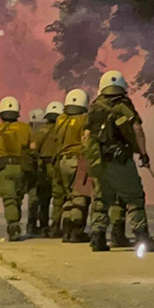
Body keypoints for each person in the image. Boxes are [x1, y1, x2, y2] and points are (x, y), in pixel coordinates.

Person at [85, 70, 154, 252]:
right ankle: (142, 236)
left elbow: (86, 136)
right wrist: (143, 154)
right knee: (134, 196)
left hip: (99, 161)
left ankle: (98, 237)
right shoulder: (124, 106)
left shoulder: (95, 108)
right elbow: (137, 130)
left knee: (101, 199)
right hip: (120, 161)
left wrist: (92, 158)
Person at [0, 96, 35, 241]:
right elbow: (33, 147)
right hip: (21, 167)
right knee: (18, 197)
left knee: (9, 199)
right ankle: (15, 223)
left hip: (3, 167)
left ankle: (13, 226)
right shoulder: (26, 128)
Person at [54, 89, 92, 243]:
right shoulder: (84, 119)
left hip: (62, 161)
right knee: (80, 197)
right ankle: (77, 232)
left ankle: (66, 231)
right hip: (77, 160)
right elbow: (86, 139)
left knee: (68, 197)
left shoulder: (60, 119)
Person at [35, 101, 63, 238]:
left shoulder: (39, 130)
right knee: (58, 197)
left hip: (42, 167)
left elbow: (34, 149)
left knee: (43, 199)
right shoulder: (63, 129)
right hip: (57, 166)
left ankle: (43, 226)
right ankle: (56, 226)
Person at [25, 108, 45, 237]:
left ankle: (31, 226)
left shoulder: (25, 132)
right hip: (41, 169)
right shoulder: (43, 132)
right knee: (43, 199)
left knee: (33, 199)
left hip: (31, 169)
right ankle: (42, 226)